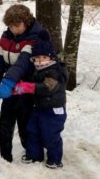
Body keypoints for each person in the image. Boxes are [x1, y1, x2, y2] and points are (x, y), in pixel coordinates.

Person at [0, 4, 44, 162]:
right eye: (10, 26)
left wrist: (7, 82)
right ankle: (4, 156)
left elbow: (23, 63)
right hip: (11, 85)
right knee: (5, 120)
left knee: (25, 122)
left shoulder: (35, 37)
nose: (14, 29)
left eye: (17, 25)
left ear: (26, 22)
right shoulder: (6, 38)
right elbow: (0, 62)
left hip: (27, 86)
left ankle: (33, 154)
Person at [13, 30, 67, 169]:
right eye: (37, 58)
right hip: (39, 109)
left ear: (51, 58)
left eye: (44, 57)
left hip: (53, 112)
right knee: (32, 131)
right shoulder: (38, 71)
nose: (40, 60)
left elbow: (48, 87)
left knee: (50, 135)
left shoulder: (55, 71)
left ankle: (55, 159)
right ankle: (35, 154)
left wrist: (28, 87)